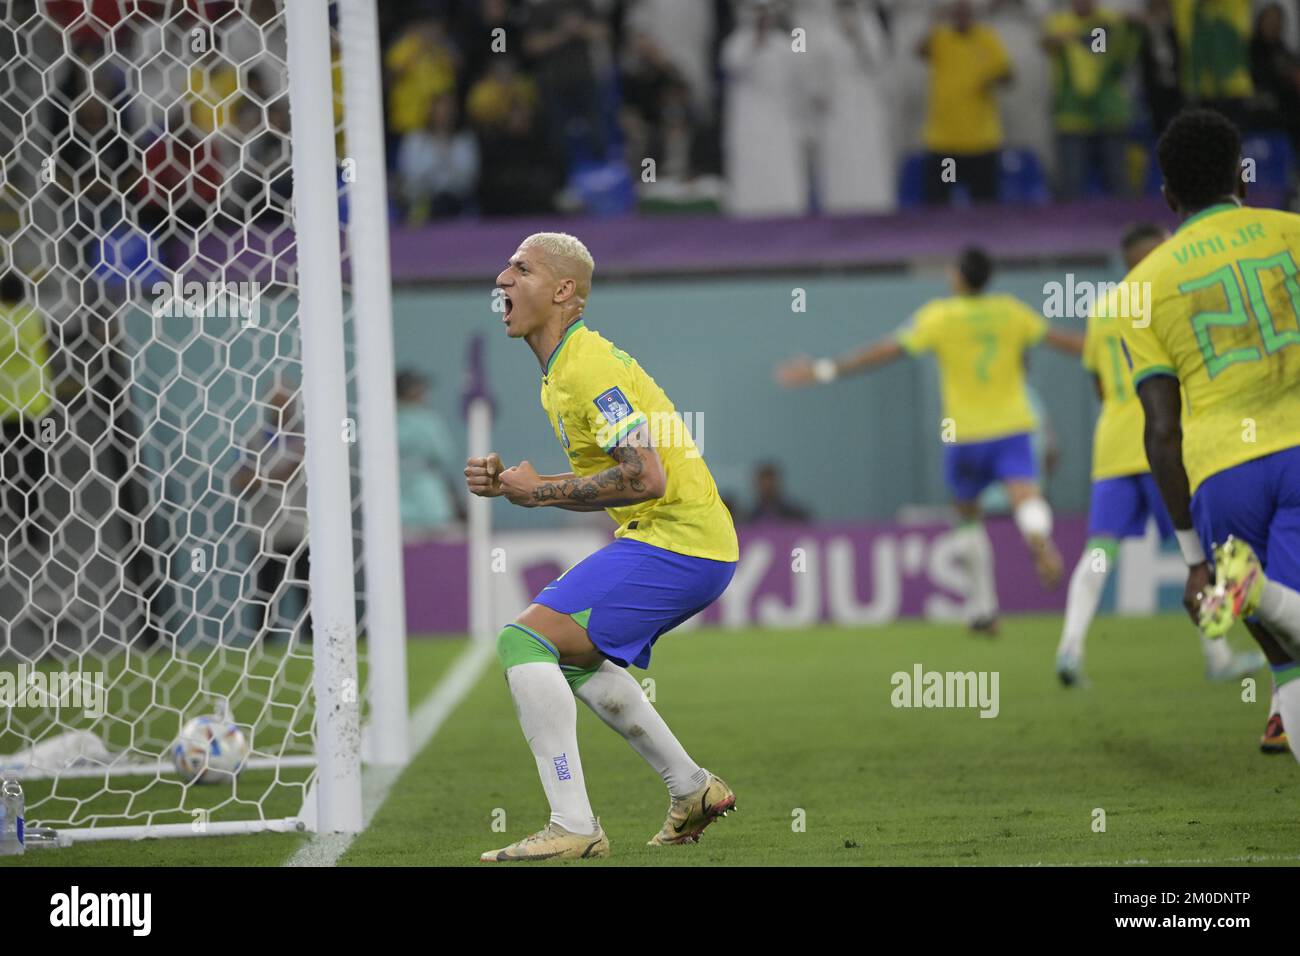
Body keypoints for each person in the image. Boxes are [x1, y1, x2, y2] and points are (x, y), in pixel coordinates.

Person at [467, 232, 739, 862]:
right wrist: (518, 488)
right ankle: (692, 788)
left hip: (681, 543)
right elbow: (622, 480)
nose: (502, 279)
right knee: (570, 658)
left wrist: (539, 493)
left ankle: (574, 824)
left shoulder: (588, 367)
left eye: (520, 268)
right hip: (676, 540)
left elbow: (645, 475)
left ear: (564, 291)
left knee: (521, 641)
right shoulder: (561, 369)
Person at [776, 247, 1084, 635]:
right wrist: (1108, 348)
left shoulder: (940, 316)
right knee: (1026, 497)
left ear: (959, 276)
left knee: (969, 519)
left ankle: (985, 609)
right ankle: (1038, 539)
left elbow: (885, 350)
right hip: (1013, 428)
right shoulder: (1010, 312)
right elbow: (1062, 339)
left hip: (965, 434)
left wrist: (825, 369)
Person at [1120, 108, 1300, 759]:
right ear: (1243, 181)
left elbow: (1161, 433)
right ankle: (1259, 591)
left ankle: (1250, 591)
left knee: (1289, 666)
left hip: (1223, 476)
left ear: (1168, 198)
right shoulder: (1293, 233)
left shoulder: (1140, 289)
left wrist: (1195, 560)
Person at [1054, 223, 1264, 686]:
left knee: (1098, 552)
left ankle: (1069, 648)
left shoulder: (1104, 309)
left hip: (1112, 447)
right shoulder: (1175, 298)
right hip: (1164, 443)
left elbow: (1100, 383)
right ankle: (1220, 657)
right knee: (1202, 552)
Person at [916, 0, 1014, 205]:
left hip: (981, 144)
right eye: (957, 12)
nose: (962, 17)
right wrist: (933, 21)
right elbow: (919, 51)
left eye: (966, 12)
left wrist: (991, 80)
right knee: (939, 205)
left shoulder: (987, 39)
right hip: (946, 146)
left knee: (984, 207)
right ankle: (942, 239)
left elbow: (1008, 75)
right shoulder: (941, 38)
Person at [232, 386, 309, 642]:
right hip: (267, 530)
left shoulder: (309, 439)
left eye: (288, 404)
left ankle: (317, 644)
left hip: (303, 530)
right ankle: (264, 646)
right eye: (278, 404)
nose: (284, 409)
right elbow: (240, 479)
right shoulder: (252, 440)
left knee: (310, 594)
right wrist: (276, 476)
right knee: (266, 594)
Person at [1042, 0, 1140, 199]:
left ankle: (1122, 225)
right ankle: (1068, 227)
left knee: (1117, 178)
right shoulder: (1059, 22)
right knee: (1072, 181)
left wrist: (1081, 37)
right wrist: (1075, 37)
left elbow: (1105, 55)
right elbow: (1047, 43)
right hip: (1071, 115)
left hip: (1108, 112)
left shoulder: (1107, 22)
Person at [0, 272, 53, 566]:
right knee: (34, 468)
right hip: (37, 408)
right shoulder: (32, 318)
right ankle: (33, 527)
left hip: (4, 410)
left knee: (7, 467)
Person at [395, 369, 461, 539]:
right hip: (429, 505)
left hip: (395, 505)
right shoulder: (427, 420)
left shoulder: (385, 419)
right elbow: (444, 454)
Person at [746, 461, 810, 524]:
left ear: (777, 484)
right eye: (764, 485)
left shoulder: (794, 515)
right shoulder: (750, 518)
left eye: (770, 485)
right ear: (757, 485)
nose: (767, 489)